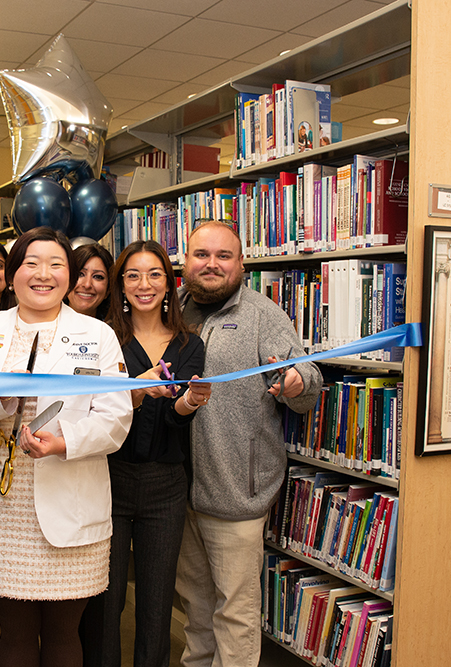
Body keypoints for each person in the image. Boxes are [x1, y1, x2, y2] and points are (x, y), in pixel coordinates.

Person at [0, 227, 133, 667]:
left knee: (65, 633)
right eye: (30, 263)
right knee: (16, 632)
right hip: (1, 505)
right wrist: (0, 399)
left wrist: (64, 442)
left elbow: (116, 419)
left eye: (55, 265)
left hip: (72, 499)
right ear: (12, 276)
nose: (42, 274)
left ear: (69, 276)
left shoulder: (97, 334)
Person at [175, 221, 323, 667]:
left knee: (235, 614)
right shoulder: (170, 309)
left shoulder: (263, 314)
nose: (212, 265)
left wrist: (297, 381)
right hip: (177, 493)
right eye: (202, 255)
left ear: (242, 263)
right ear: (186, 260)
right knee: (195, 611)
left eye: (224, 256)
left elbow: (310, 382)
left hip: (236, 493)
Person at [88, 240, 211, 667]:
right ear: (120, 284)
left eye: (155, 274)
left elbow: (176, 418)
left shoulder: (189, 344)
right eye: (134, 275)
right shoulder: (103, 340)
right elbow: (96, 409)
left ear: (169, 283)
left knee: (158, 604)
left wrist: (190, 403)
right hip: (110, 480)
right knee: (107, 600)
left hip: (166, 487)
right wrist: (135, 391)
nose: (145, 284)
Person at [67, 243, 114, 319]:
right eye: (80, 274)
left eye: (97, 277)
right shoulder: (43, 327)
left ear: (108, 289)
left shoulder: (110, 330)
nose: (87, 284)